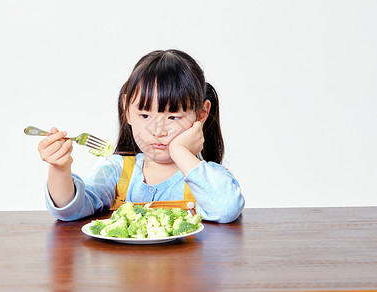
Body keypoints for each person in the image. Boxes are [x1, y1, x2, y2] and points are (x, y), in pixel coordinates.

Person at [37, 49, 245, 223]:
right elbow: (70, 209)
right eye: (145, 115)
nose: (158, 130)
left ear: (201, 114)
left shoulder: (207, 177)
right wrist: (60, 168)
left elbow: (226, 208)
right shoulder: (117, 171)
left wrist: (180, 151)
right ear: (126, 109)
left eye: (173, 117)